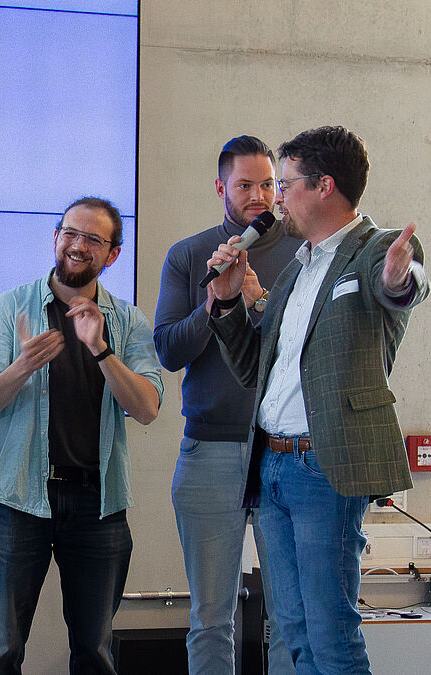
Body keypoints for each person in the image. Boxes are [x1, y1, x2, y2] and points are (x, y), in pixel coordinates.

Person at [205, 126, 428, 674]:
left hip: (324, 466)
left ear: (324, 185)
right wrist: (229, 302)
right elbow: (255, 368)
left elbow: (401, 286)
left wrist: (400, 279)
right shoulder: (296, 268)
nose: (276, 198)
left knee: (331, 635)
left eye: (285, 184)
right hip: (272, 464)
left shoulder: (378, 248)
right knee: (295, 633)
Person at [0, 196, 163, 674]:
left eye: (93, 239)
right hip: (17, 499)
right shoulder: (9, 307)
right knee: (1, 648)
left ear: (113, 254)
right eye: (70, 233)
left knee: (95, 651)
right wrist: (23, 365)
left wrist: (100, 349)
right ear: (56, 238)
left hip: (98, 503)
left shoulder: (128, 321)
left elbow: (146, 408)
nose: (78, 246)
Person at [153, 135, 297, 675]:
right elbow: (169, 351)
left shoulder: (303, 251)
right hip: (209, 450)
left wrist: (256, 301)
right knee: (212, 617)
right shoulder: (190, 255)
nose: (259, 196)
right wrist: (215, 301)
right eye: (245, 185)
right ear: (220, 188)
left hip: (285, 452)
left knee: (290, 618)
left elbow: (301, 352)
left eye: (268, 184)